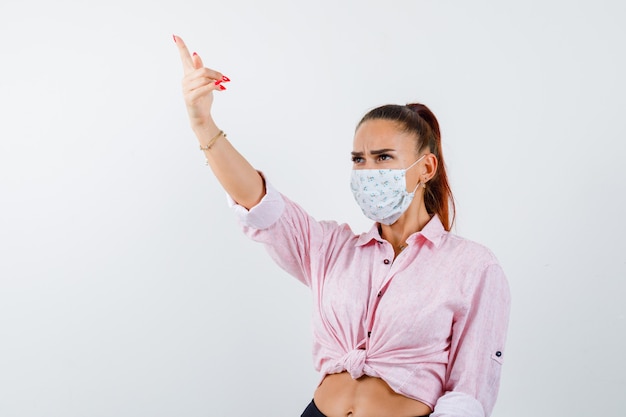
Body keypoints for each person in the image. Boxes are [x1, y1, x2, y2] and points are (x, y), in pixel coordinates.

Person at [173, 35, 511, 417]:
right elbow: (259, 202)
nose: (368, 171)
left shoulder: (474, 267)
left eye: (383, 157)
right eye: (359, 160)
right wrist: (202, 123)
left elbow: (471, 391)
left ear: (426, 169)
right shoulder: (331, 248)